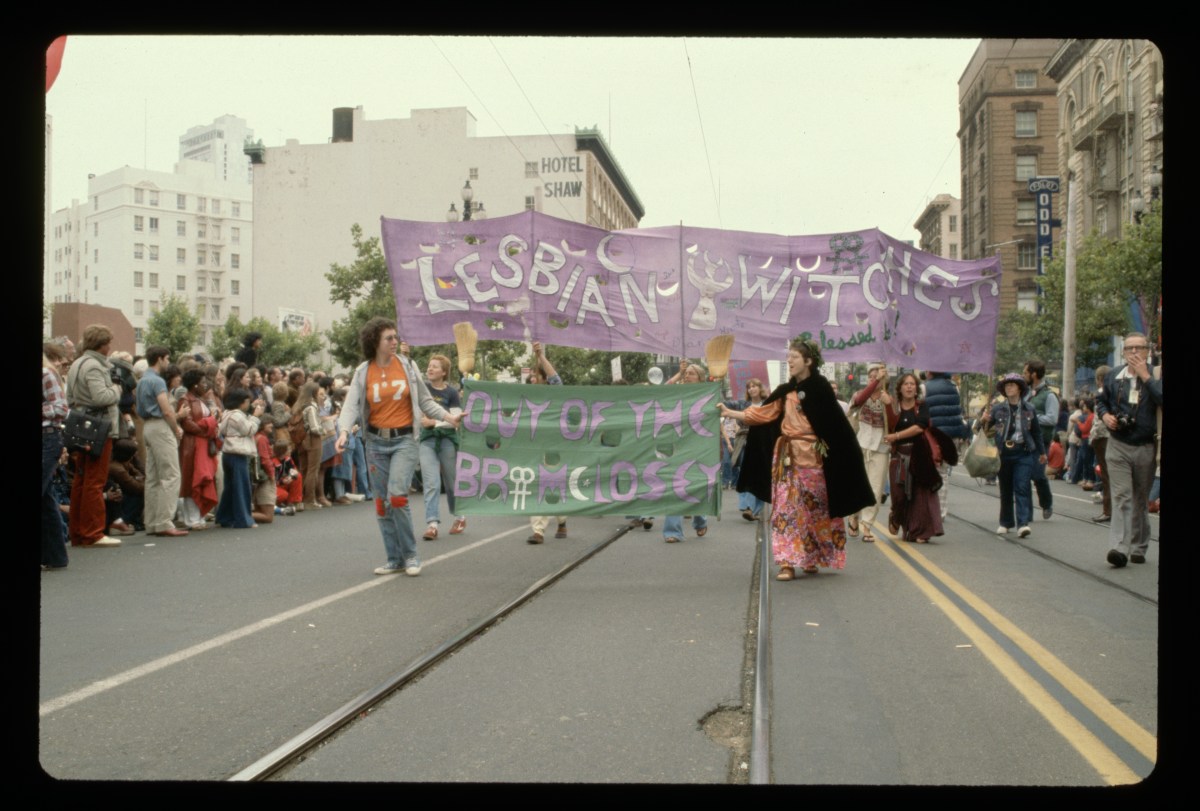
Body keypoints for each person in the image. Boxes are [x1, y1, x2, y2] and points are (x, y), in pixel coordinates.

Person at [719, 339, 874, 579]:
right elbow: (763, 414)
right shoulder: (785, 391)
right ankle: (787, 562)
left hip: (815, 459)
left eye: (794, 357)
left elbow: (836, 428)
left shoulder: (821, 389)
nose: (789, 361)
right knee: (786, 508)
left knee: (815, 510)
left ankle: (810, 557)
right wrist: (730, 413)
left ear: (808, 361)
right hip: (787, 459)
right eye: (788, 356)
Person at [336, 318, 460, 576]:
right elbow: (350, 406)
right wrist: (344, 431)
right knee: (381, 503)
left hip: (404, 440)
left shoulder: (407, 365)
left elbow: (425, 401)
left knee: (397, 495)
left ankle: (411, 555)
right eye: (389, 338)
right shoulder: (363, 371)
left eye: (395, 337)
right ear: (375, 342)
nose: (395, 342)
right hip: (375, 442)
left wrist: (448, 417)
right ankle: (394, 559)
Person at [1095, 333, 1161, 568]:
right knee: (1122, 496)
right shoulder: (1114, 376)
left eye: (1139, 348)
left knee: (1140, 498)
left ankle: (1139, 545)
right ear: (1123, 352)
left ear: (1147, 350)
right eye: (1129, 348)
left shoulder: (1156, 374)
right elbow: (1100, 400)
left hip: (1145, 446)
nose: (1134, 353)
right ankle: (1120, 548)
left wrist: (1146, 376)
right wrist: (1105, 415)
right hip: (1118, 445)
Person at [66, 324, 123, 547]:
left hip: (80, 424)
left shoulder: (76, 364)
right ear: (101, 344)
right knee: (95, 480)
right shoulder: (95, 367)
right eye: (108, 342)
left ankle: (78, 531)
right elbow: (101, 397)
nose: (110, 346)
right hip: (98, 428)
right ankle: (93, 532)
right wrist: (116, 390)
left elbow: (70, 397)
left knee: (81, 478)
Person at [885, 372, 955, 543]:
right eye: (906, 384)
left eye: (912, 384)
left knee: (920, 496)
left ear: (916, 388)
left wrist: (897, 436)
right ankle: (896, 516)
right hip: (898, 456)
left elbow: (920, 426)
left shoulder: (921, 406)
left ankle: (919, 532)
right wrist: (886, 405)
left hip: (919, 455)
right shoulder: (893, 406)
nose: (909, 387)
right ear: (900, 388)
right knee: (899, 496)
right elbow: (888, 426)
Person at [980, 374, 1047, 538]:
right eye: (1006, 385)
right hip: (1003, 453)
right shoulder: (997, 409)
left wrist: (1042, 452)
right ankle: (1006, 522)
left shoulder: (1029, 409)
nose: (1009, 388)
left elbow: (1036, 433)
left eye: (1012, 385)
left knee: (1022, 486)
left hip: (1023, 453)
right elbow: (983, 431)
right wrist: (983, 420)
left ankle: (1023, 523)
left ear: (1019, 388)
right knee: (1006, 489)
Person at [136, 346, 188, 537]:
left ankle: (152, 521)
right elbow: (166, 409)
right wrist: (176, 428)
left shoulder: (142, 380)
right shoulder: (157, 381)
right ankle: (164, 521)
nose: (168, 363)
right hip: (160, 425)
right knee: (171, 474)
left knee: (153, 476)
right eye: (166, 359)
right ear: (159, 359)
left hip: (147, 426)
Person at [662, 360, 710, 543]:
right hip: (678, 445)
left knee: (694, 486)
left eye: (691, 373)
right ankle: (672, 531)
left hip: (698, 445)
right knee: (675, 486)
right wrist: (678, 374)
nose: (688, 376)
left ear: (700, 378)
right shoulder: (679, 393)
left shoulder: (707, 394)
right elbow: (663, 390)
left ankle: (700, 520)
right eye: (686, 373)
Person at [418, 353, 466, 539]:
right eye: (429, 366)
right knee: (431, 483)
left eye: (435, 366)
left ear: (444, 372)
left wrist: (435, 422)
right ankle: (432, 524)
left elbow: (456, 421)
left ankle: (460, 516)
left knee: (451, 483)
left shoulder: (452, 393)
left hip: (447, 440)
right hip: (427, 440)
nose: (430, 369)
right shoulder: (423, 389)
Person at [526, 341, 568, 544]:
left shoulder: (554, 394)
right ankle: (538, 530)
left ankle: (562, 520)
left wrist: (540, 356)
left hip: (555, 445)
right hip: (535, 447)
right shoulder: (526, 398)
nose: (533, 379)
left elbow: (556, 379)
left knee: (554, 485)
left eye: (536, 376)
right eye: (531, 377)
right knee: (538, 486)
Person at [848, 362, 891, 542]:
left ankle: (867, 525)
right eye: (872, 377)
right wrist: (875, 384)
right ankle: (853, 516)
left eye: (879, 377)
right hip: (860, 445)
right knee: (858, 485)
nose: (875, 380)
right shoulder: (860, 395)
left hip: (880, 448)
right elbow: (857, 403)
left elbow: (895, 421)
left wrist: (888, 405)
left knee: (875, 489)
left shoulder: (888, 398)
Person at [923, 371, 971, 520]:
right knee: (943, 472)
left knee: (928, 472)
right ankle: (941, 511)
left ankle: (929, 509)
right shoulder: (954, 386)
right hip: (951, 435)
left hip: (932, 435)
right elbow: (957, 412)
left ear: (930, 372)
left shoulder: (925, 388)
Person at [215, 388, 264, 529]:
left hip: (228, 453)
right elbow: (249, 430)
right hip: (238, 453)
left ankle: (224, 517)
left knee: (230, 487)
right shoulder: (237, 415)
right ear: (240, 402)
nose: (248, 404)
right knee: (242, 487)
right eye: (247, 402)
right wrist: (256, 416)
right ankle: (243, 519)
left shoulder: (227, 414)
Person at [178, 368, 219, 530]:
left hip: (202, 443)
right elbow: (187, 422)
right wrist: (206, 428)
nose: (205, 385)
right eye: (202, 382)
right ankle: (191, 518)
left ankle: (199, 515)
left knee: (202, 478)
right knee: (192, 480)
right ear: (194, 385)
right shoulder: (185, 400)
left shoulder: (200, 399)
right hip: (192, 445)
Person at [42, 344, 70, 569]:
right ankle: (56, 556)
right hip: (47, 438)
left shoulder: (46, 373)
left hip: (47, 437)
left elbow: (62, 408)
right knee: (46, 499)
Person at [1022, 360, 1057, 519]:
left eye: (1025, 373)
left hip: (1041, 441)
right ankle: (1026, 513)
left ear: (1033, 374)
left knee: (1038, 475)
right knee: (1024, 476)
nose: (1023, 376)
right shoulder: (1026, 393)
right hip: (1024, 441)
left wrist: (1032, 418)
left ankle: (1046, 503)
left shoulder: (1049, 395)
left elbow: (1052, 419)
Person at [729, 377, 767, 522]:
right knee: (744, 472)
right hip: (745, 440)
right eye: (749, 387)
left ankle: (755, 509)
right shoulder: (743, 404)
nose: (751, 389)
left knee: (760, 475)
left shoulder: (767, 404)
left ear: (760, 388)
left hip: (762, 442)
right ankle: (748, 507)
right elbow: (733, 412)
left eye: (754, 386)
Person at [1090, 365, 1112, 523]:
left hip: (1102, 438)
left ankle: (1107, 510)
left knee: (1107, 476)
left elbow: (1099, 421)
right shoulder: (1117, 392)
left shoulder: (1101, 394)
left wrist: (1093, 438)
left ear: (1099, 379)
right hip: (1114, 438)